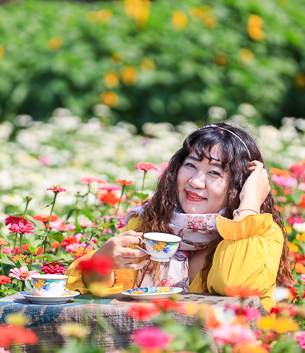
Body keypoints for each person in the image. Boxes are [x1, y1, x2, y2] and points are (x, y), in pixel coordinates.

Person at [65, 122, 291, 311]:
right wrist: (101, 262)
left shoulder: (261, 233)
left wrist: (250, 204)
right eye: (190, 165)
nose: (195, 182)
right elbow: (105, 293)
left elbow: (235, 285)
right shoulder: (149, 222)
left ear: (239, 184)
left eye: (214, 172)